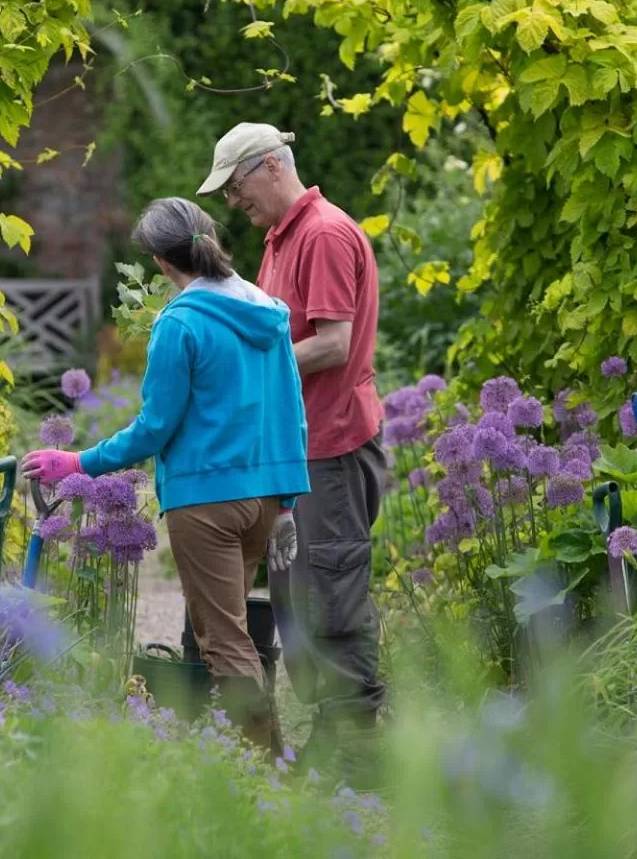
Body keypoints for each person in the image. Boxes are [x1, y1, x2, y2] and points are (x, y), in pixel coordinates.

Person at [22, 197, 309, 754]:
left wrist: (79, 462)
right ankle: (272, 762)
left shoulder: (180, 323)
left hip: (206, 503)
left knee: (224, 643)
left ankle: (262, 775)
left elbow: (155, 428)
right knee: (236, 637)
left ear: (158, 261)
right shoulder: (268, 312)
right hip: (265, 500)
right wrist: (289, 504)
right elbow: (291, 411)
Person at [198, 123, 387, 788]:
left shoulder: (324, 234)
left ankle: (360, 762)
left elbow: (332, 344)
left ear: (272, 166)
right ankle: (331, 746)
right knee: (297, 600)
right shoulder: (282, 238)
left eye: (236, 186)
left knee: (330, 600)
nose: (232, 203)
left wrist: (248, 369)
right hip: (299, 452)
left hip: (332, 449)